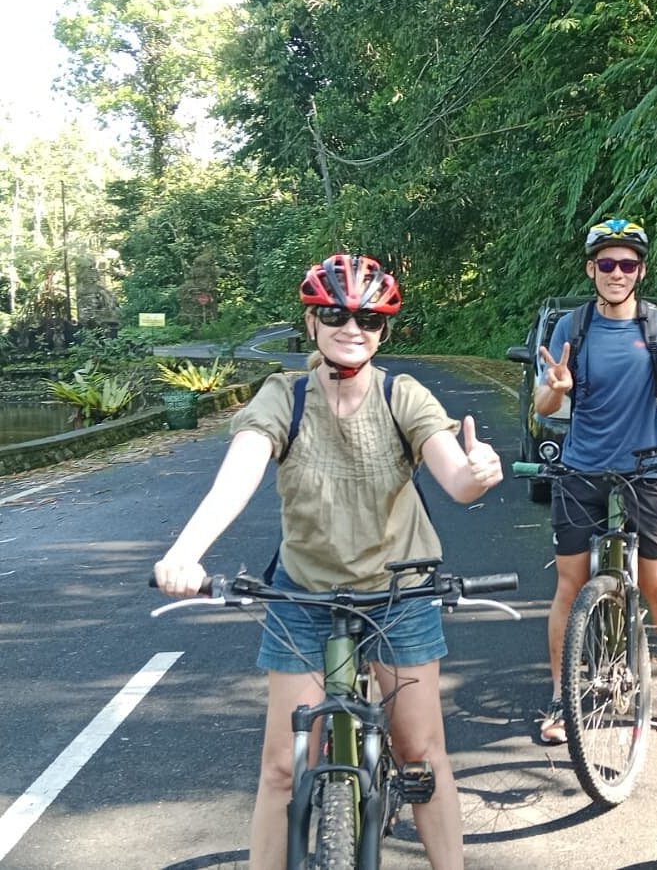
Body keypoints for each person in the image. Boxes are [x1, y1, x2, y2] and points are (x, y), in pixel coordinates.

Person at [153, 253, 504, 870]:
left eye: (368, 319)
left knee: (420, 750)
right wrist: (187, 551)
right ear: (311, 322)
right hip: (306, 595)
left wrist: (479, 474)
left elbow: (455, 476)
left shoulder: (403, 395)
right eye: (336, 314)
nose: (352, 327)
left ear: (383, 331)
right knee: (284, 767)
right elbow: (238, 474)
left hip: (401, 593)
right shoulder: (283, 397)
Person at [533, 218, 657, 744]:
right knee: (569, 586)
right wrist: (556, 388)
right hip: (580, 468)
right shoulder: (573, 327)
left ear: (641, 271)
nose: (617, 272)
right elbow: (546, 402)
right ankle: (561, 697)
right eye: (607, 263)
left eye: (628, 264)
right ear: (592, 270)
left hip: (644, 467)